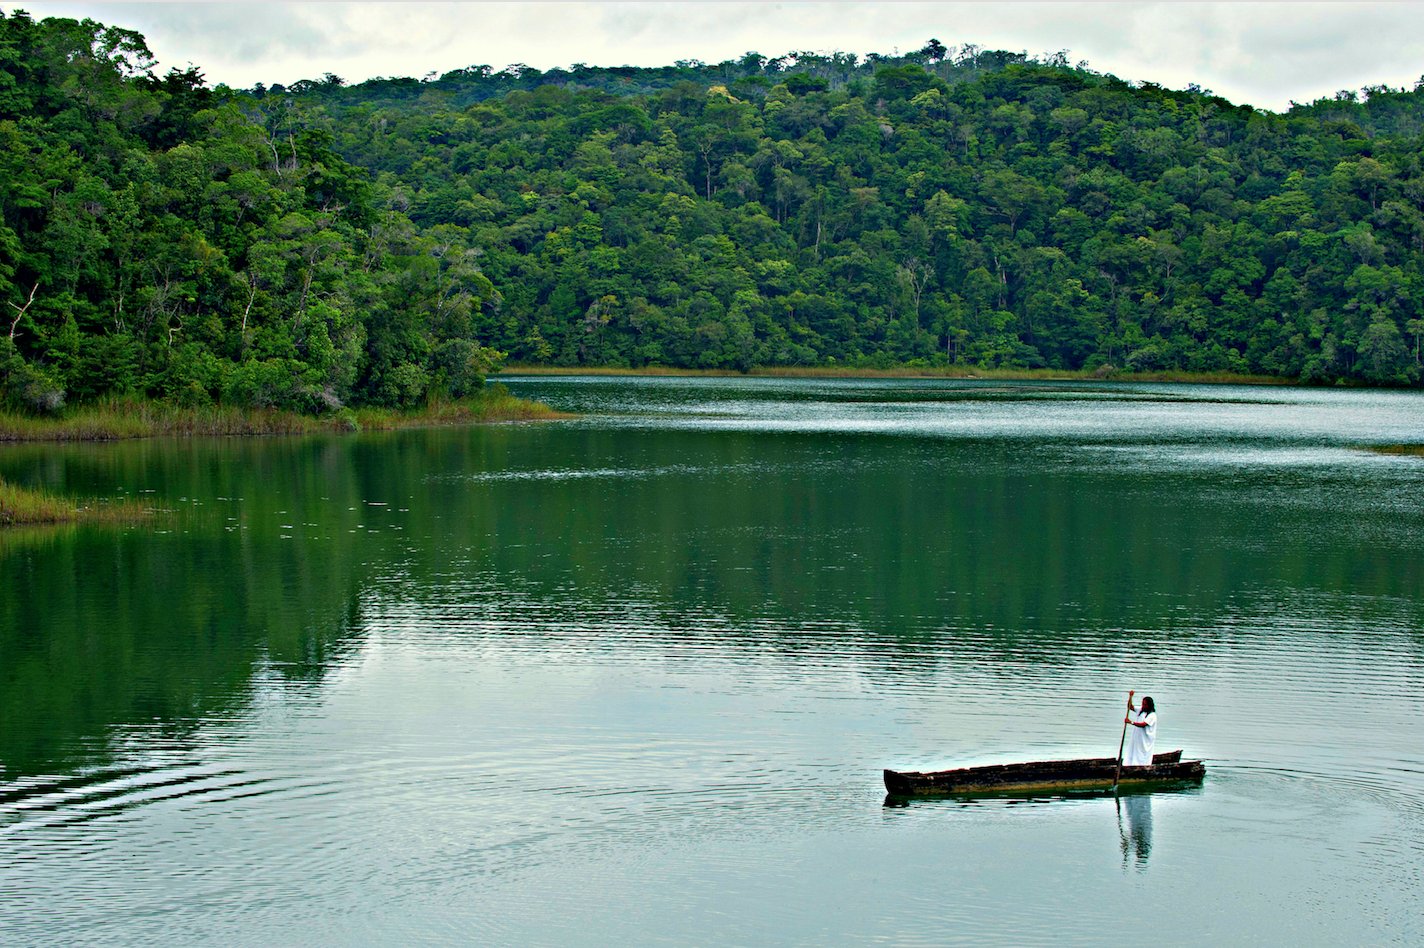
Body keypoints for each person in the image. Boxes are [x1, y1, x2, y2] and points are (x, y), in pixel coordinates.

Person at [1121, 690, 1157, 766]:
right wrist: (1130, 697)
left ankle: (1141, 766)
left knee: (1141, 754)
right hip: (1137, 738)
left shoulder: (1152, 715)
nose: (1143, 706)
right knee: (1134, 751)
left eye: (1145, 705)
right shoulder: (1141, 710)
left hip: (1145, 741)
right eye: (1142, 704)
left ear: (1149, 705)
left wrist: (1131, 722)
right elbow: (1130, 707)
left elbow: (1143, 724)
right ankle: (1130, 765)